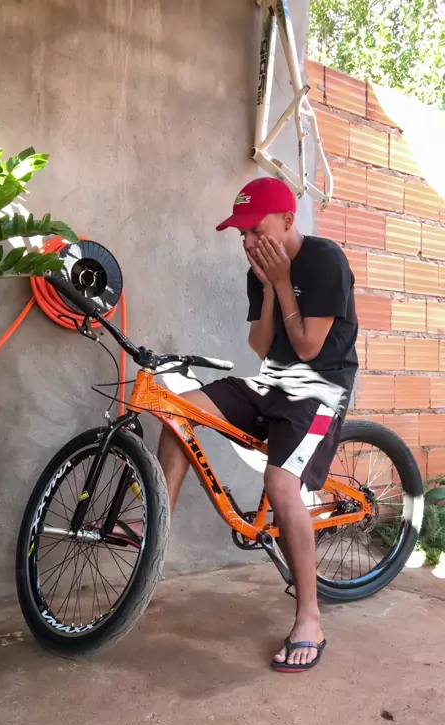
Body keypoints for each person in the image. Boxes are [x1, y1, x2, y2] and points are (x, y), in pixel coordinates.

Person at [119, 176, 358, 673]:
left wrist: (283, 280)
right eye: (242, 233)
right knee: (178, 411)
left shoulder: (324, 260)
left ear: (288, 221)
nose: (247, 241)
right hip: (273, 381)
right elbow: (260, 346)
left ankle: (310, 618)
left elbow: (309, 347)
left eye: (255, 229)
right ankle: (157, 524)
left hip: (319, 388)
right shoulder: (260, 268)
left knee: (281, 484)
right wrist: (269, 286)